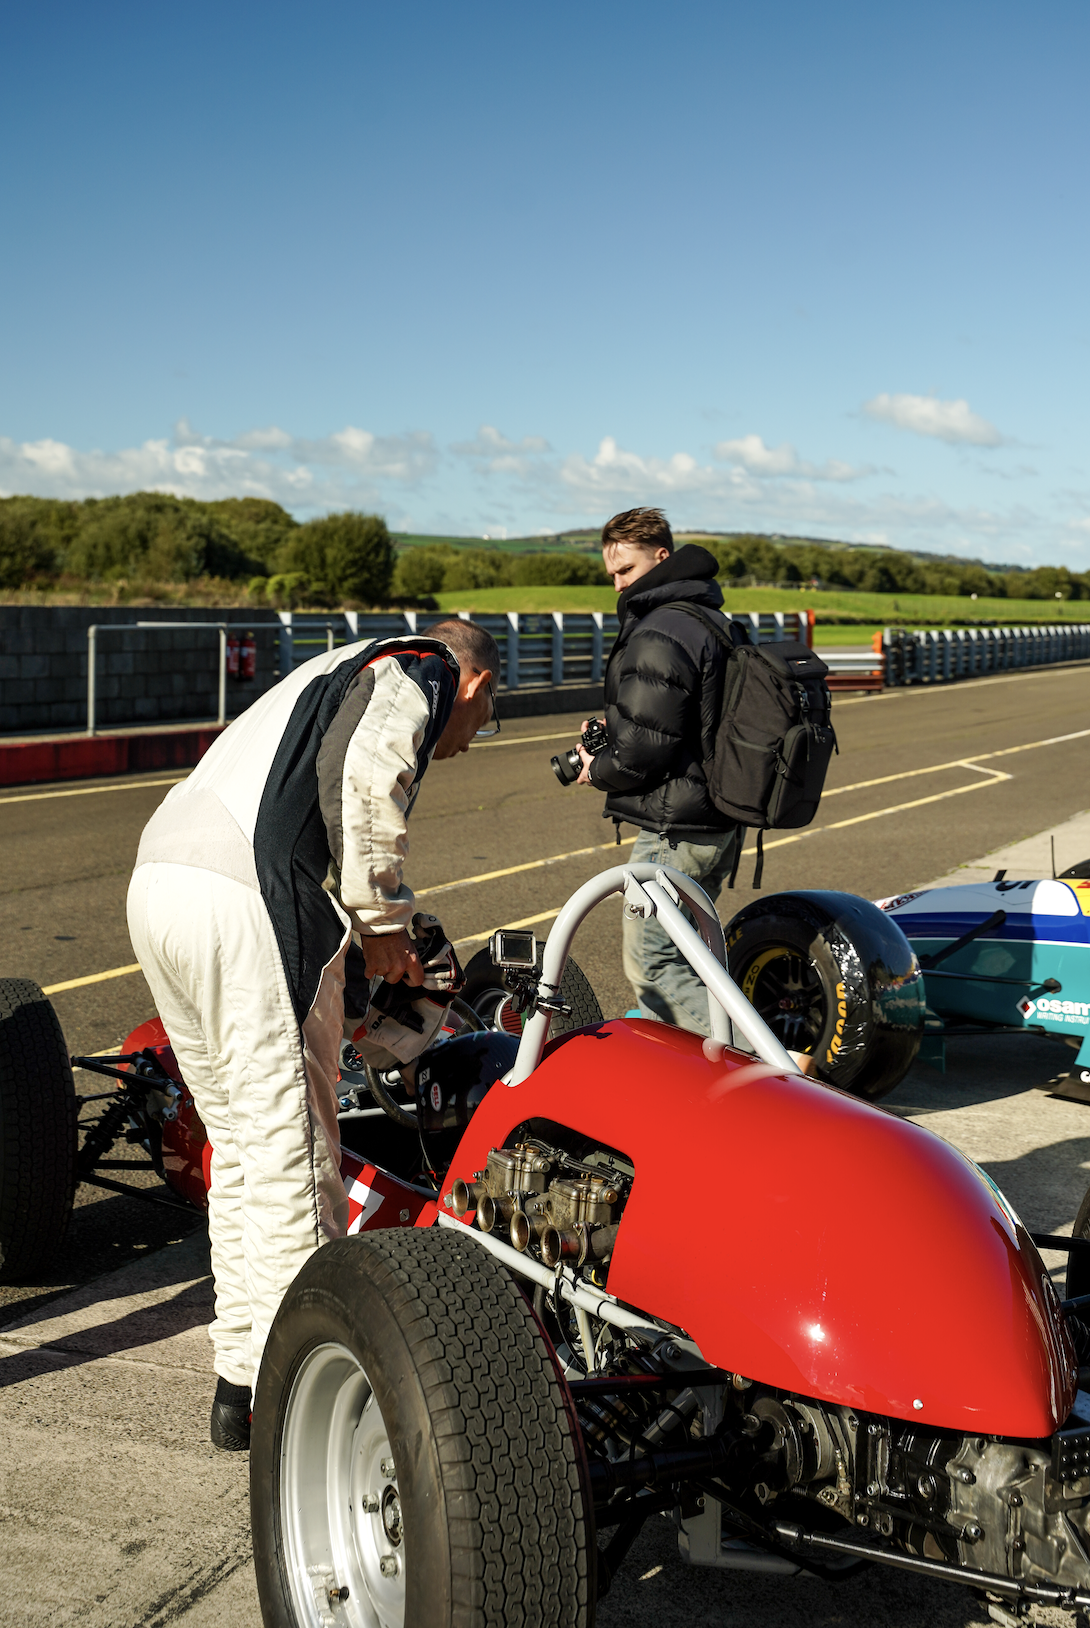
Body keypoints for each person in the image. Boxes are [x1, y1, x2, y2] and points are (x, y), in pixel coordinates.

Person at [126, 617, 499, 1448]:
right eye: (486, 716)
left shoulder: (328, 668)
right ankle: (312, 1414)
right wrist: (382, 922)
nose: (471, 738)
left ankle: (244, 1381)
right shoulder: (423, 667)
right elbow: (364, 774)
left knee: (244, 1149)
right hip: (240, 893)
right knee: (298, 1156)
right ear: (476, 685)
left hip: (158, 880)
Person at [573, 507, 739, 1035]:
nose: (617, 584)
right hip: (711, 818)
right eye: (611, 576)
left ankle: (780, 1075)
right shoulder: (706, 617)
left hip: (676, 829)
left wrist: (595, 767)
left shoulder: (661, 628)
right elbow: (681, 722)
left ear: (661, 557)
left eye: (626, 570)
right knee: (687, 960)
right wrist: (616, 722)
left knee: (655, 967)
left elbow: (644, 751)